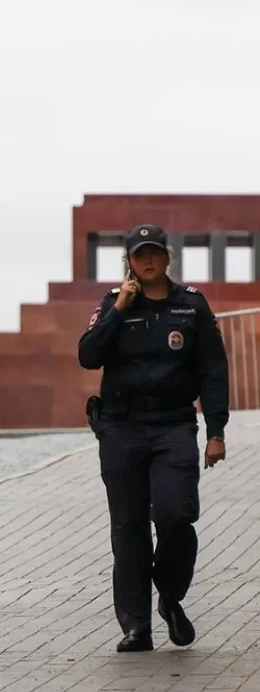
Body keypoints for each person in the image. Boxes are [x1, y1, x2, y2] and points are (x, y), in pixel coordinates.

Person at [78, 223, 229, 653]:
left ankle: (169, 593)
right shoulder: (114, 303)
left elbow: (213, 371)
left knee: (175, 516)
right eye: (139, 255)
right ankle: (136, 626)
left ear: (167, 258)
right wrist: (119, 311)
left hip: (173, 426)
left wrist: (216, 431)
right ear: (129, 261)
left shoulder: (192, 306)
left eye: (155, 253)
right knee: (127, 528)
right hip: (121, 428)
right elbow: (88, 356)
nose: (147, 261)